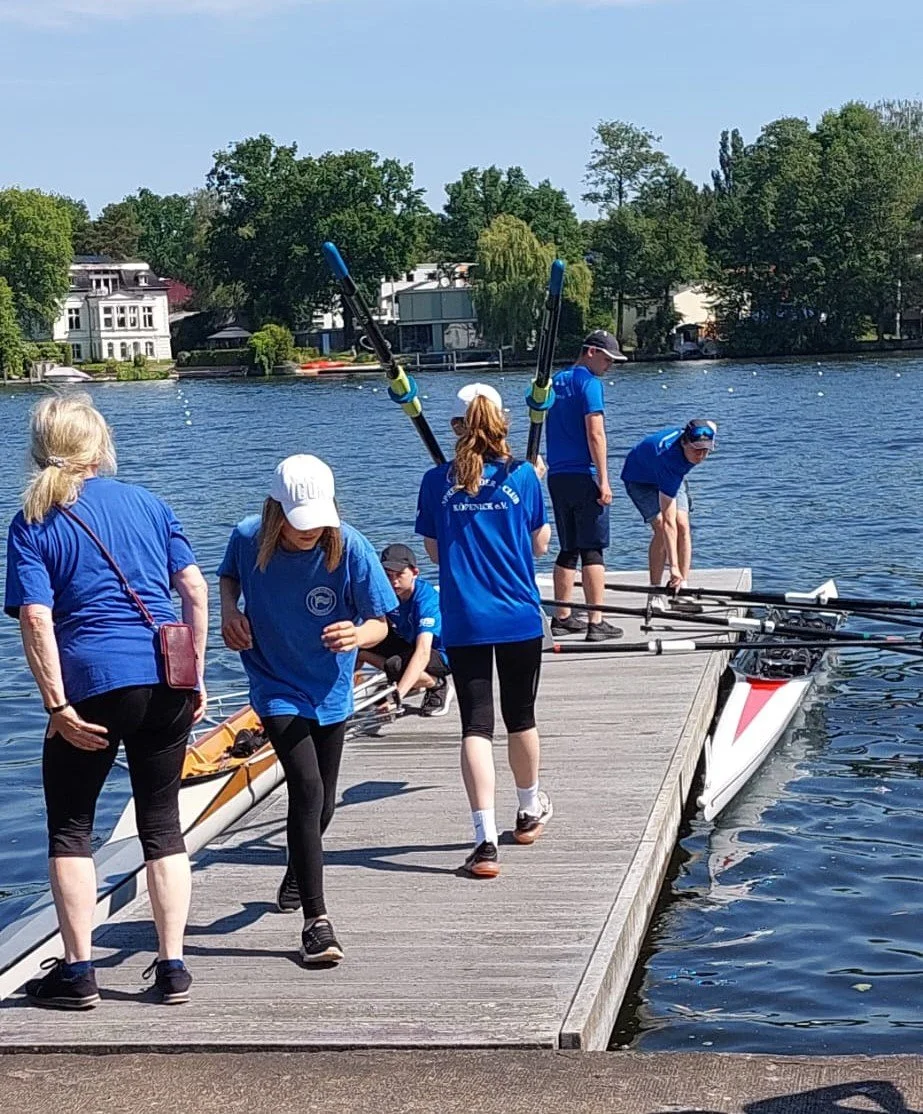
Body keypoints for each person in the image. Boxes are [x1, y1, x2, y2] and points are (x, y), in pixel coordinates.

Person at [4, 394, 208, 1010]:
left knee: (71, 831)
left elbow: (37, 617)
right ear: (98, 446)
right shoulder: (150, 503)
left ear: (42, 447)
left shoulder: (33, 520)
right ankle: (172, 968)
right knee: (163, 825)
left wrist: (56, 705)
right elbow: (194, 591)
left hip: (90, 686)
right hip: (165, 682)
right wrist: (193, 676)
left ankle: (79, 973)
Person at [218, 454, 396, 964]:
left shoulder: (351, 547)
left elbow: (380, 624)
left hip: (330, 688)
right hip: (274, 682)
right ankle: (316, 923)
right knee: (306, 786)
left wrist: (358, 634)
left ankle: (299, 869)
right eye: (300, 524)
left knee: (325, 803)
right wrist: (231, 612)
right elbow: (228, 577)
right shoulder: (248, 537)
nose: (310, 532)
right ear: (275, 509)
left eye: (318, 522)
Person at [416, 387, 553, 879]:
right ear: (503, 424)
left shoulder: (436, 481)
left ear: (457, 427)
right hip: (518, 616)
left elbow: (433, 554)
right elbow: (540, 546)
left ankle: (484, 840)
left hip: (465, 618)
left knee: (476, 724)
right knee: (521, 717)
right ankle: (529, 807)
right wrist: (536, 487)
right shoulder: (524, 476)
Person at [545, 330, 626, 643]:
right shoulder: (589, 383)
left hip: (558, 476)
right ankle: (596, 621)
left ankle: (562, 617)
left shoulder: (555, 381)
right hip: (584, 473)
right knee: (593, 548)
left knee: (568, 547)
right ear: (590, 352)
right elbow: (596, 434)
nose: (609, 366)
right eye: (607, 359)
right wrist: (604, 479)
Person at [620, 419, 717, 607]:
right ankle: (655, 592)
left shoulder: (705, 431)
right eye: (696, 450)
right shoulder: (668, 457)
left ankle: (682, 588)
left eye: (706, 450)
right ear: (684, 442)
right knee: (661, 528)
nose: (701, 455)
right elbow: (668, 523)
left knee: (684, 526)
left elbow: (711, 425)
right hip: (640, 480)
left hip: (673, 475)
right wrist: (673, 567)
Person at [358, 543, 453, 716]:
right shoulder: (385, 594)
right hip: (409, 642)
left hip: (441, 652)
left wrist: (397, 697)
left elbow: (423, 652)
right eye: (387, 575)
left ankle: (436, 683)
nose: (393, 582)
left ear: (415, 573)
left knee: (394, 665)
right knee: (358, 645)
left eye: (400, 574)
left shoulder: (426, 599)